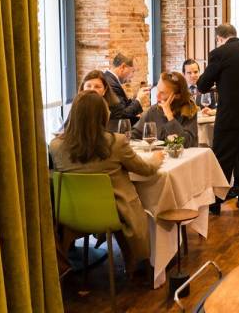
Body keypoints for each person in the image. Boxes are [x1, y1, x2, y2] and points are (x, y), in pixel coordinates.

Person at [49, 90, 164, 273]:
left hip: (71, 214)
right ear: (102, 115)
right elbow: (145, 170)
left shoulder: (55, 146)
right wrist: (157, 158)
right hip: (115, 213)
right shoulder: (115, 143)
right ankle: (142, 265)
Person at [197, 23, 239, 213]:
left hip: (229, 117)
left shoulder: (219, 53)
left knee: (222, 159)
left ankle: (216, 203)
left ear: (219, 38)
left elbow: (203, 85)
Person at [132, 72, 199, 147]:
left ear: (177, 95)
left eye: (162, 93)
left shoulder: (189, 110)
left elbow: (186, 143)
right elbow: (134, 134)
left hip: (185, 157)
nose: (157, 96)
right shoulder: (154, 110)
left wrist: (169, 116)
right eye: (157, 89)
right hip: (158, 156)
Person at [104, 53, 150, 125]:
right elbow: (122, 115)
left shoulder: (110, 79)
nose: (132, 76)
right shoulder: (111, 84)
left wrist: (136, 97)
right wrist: (139, 100)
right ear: (123, 67)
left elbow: (122, 107)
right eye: (133, 71)